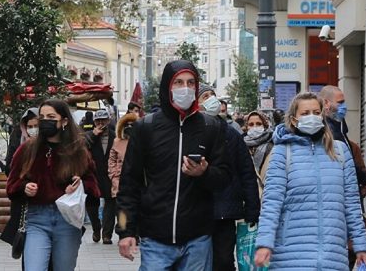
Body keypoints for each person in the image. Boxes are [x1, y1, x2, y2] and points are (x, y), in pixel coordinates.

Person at [117, 60, 231, 270]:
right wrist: (125, 231)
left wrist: (204, 173)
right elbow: (128, 184)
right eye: (178, 82)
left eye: (190, 82)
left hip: (197, 237)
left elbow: (224, 178)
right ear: (167, 86)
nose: (185, 88)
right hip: (155, 237)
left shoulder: (211, 127)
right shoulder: (146, 128)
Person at [254, 92, 366, 270]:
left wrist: (360, 245)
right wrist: (264, 244)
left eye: (316, 113)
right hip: (290, 254)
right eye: (305, 113)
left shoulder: (340, 151)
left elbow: (351, 202)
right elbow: (271, 203)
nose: (312, 117)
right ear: (293, 120)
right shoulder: (282, 152)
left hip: (333, 253)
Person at [6, 99, 100, 271]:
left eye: (51, 116)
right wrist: (24, 188)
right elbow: (12, 184)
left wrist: (80, 186)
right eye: (42, 117)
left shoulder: (78, 150)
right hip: (37, 219)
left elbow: (93, 186)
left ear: (64, 121)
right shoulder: (27, 149)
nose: (44, 121)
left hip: (68, 220)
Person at [198, 84, 260, 271]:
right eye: (205, 96)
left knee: (223, 261)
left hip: (225, 210)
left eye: (212, 95)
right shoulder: (190, 133)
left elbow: (246, 172)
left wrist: (252, 209)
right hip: (197, 210)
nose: (211, 99)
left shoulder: (231, 134)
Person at [319, 85, 366, 198]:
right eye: (340, 102)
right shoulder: (329, 131)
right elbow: (347, 162)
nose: (344, 106)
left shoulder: (339, 126)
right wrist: (365, 180)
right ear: (326, 103)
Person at [85, 109, 117, 244]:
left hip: (109, 175)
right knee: (92, 204)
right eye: (98, 121)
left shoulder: (115, 136)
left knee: (111, 203)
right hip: (93, 175)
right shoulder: (88, 135)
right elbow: (81, 148)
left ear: (108, 121)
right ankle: (96, 229)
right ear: (94, 122)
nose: (101, 123)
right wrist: (93, 135)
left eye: (103, 120)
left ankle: (107, 234)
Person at [109, 113, 138, 199]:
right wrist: (114, 177)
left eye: (132, 125)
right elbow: (112, 160)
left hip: (135, 181)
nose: (129, 127)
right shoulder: (117, 141)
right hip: (119, 180)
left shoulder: (140, 140)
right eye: (126, 125)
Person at [243, 111, 274, 185]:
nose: (254, 127)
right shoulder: (241, 145)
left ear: (265, 126)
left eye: (259, 124)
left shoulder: (272, 147)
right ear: (247, 127)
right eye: (251, 124)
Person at [5, 108, 39, 175]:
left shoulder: (49, 142)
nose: (33, 130)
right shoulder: (17, 140)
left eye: (36, 126)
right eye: (30, 127)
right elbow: (9, 168)